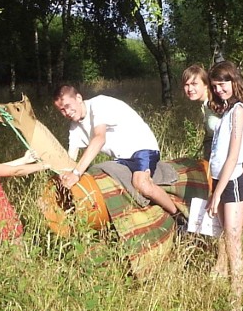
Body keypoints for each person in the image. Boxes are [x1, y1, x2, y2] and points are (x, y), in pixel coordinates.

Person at [182, 65, 243, 278]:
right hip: (222, 168)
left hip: (241, 166)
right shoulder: (209, 106)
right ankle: (223, 267)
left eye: (194, 83)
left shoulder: (220, 104)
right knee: (228, 224)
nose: (189, 88)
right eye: (186, 84)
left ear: (205, 84)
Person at [53, 84, 177, 215]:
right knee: (103, 178)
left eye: (67, 106)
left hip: (142, 147)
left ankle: (178, 215)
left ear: (78, 98)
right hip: (121, 158)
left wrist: (76, 174)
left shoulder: (98, 104)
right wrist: (64, 176)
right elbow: (70, 159)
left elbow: (99, 138)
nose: (66, 112)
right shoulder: (74, 128)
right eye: (61, 110)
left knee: (142, 185)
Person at [206, 61, 243, 311]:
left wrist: (217, 194)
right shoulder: (228, 111)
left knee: (233, 237)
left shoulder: (239, 110)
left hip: (232, 182)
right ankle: (235, 291)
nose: (220, 89)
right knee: (227, 236)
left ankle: (237, 298)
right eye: (216, 85)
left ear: (234, 82)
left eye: (224, 83)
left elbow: (234, 155)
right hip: (220, 178)